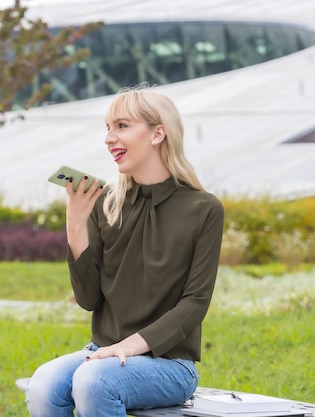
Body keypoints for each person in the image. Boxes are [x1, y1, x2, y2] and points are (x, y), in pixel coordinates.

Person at [25, 86, 225, 417]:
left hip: (169, 364)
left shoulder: (203, 209)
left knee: (95, 381)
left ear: (157, 133)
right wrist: (75, 225)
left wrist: (128, 347)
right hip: (102, 354)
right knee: (44, 384)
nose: (108, 138)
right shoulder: (106, 204)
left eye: (121, 126)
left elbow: (196, 303)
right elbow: (89, 300)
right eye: (107, 128)